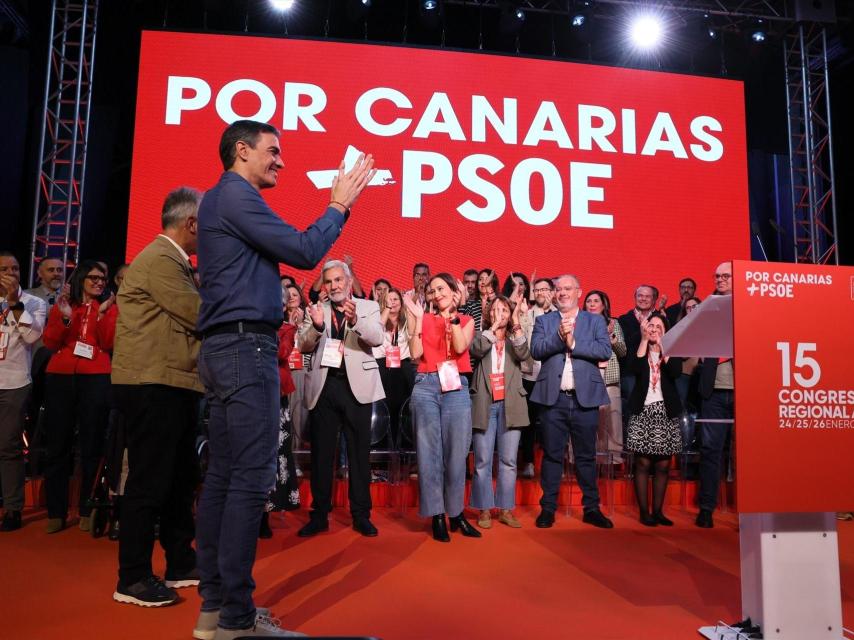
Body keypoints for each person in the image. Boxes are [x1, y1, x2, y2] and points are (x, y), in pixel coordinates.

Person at [194, 119, 374, 639]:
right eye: (273, 151)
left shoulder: (222, 200)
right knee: (247, 481)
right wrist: (338, 205)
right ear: (241, 151)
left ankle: (215, 611)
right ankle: (235, 618)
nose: (281, 160)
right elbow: (303, 250)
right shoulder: (236, 195)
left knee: (224, 478)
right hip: (244, 350)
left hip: (226, 349)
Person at [109, 188, 205, 607]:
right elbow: (199, 314)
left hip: (173, 381)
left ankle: (181, 560)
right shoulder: (163, 259)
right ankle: (132, 577)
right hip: (151, 383)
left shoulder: (173, 261)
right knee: (150, 480)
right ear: (191, 224)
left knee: (180, 478)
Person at [297, 259, 384, 538]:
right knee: (321, 454)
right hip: (325, 387)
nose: (334, 285)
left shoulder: (368, 307)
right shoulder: (317, 310)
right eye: (329, 281)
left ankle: (361, 515)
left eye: (338, 280)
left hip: (357, 387)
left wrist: (356, 320)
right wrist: (317, 327)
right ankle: (319, 515)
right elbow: (303, 344)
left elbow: (377, 338)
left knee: (359, 454)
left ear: (348, 281)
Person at [530, 274, 614, 529]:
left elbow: (604, 350)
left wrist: (573, 343)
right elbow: (536, 350)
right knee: (552, 456)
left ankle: (591, 508)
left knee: (586, 456)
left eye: (568, 288)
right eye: (558, 289)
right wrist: (559, 337)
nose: (562, 293)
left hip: (584, 399)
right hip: (553, 399)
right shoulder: (545, 321)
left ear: (579, 291)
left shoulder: (594, 320)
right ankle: (548, 508)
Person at [42, 260, 118, 533]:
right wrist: (64, 318)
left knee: (92, 444)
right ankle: (56, 511)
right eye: (93, 277)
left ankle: (88, 507)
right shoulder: (65, 304)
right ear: (81, 279)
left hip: (95, 376)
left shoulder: (109, 307)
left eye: (102, 278)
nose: (99, 282)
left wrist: (103, 315)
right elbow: (51, 342)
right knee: (57, 444)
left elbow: (108, 342)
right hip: (61, 376)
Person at [404, 273, 479, 542]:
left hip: (455, 387)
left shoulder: (466, 320)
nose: (437, 294)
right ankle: (437, 515)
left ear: (453, 291)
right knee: (429, 455)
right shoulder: (422, 317)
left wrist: (452, 317)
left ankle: (456, 514)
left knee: (457, 455)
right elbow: (415, 354)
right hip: (425, 385)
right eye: (433, 290)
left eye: (441, 288)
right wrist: (416, 320)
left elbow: (459, 346)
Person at [469, 296, 530, 529]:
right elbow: (476, 350)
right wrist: (493, 329)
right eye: (495, 310)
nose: (500, 313)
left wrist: (516, 322)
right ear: (488, 314)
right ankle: (484, 508)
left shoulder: (516, 338)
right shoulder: (481, 336)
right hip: (485, 402)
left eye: (504, 309)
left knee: (509, 460)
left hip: (511, 403)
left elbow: (524, 354)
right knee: (482, 460)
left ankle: (505, 508)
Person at [0, 252, 47, 532]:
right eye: (4, 269)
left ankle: (13, 508)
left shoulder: (34, 302)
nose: (11, 273)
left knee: (8, 445)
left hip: (14, 382)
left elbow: (31, 336)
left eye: (15, 268)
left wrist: (13, 303)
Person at [626, 313, 683, 526]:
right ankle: (644, 512)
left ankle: (658, 511)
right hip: (643, 411)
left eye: (659, 327)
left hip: (665, 411)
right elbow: (634, 369)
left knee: (663, 464)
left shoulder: (671, 349)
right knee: (642, 462)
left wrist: (663, 345)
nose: (654, 330)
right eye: (651, 326)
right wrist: (643, 340)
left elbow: (675, 372)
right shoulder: (640, 347)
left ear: (666, 331)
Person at [695, 262, 734, 529]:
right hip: (714, 391)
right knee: (711, 450)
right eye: (717, 276)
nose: (720, 279)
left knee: (748, 454)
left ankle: (750, 509)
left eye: (725, 276)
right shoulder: (708, 307)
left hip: (748, 390)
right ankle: (706, 508)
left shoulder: (750, 304)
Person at [260, 312, 300, 538]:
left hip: (276, 395)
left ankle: (266, 514)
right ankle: (252, 513)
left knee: (276, 454)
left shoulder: (286, 328)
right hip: (252, 391)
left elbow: (282, 352)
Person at [517, 277, 555, 478]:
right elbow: (520, 341)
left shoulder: (560, 314)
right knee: (529, 422)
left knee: (552, 421)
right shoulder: (527, 313)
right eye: (537, 290)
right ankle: (529, 461)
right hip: (529, 374)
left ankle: (553, 462)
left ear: (552, 292)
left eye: (544, 289)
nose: (541, 293)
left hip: (552, 375)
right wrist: (521, 316)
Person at [583, 290, 626, 457]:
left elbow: (622, 352)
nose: (592, 304)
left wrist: (611, 339)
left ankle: (612, 460)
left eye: (596, 301)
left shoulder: (614, 323)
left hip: (610, 380)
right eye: (589, 301)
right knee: (586, 422)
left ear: (603, 305)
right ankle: (585, 458)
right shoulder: (580, 324)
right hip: (587, 379)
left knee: (612, 422)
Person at [373, 288, 414, 447]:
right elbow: (376, 332)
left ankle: (404, 448)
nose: (392, 302)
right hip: (382, 366)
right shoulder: (378, 319)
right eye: (389, 299)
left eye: (396, 299)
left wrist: (410, 309)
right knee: (383, 408)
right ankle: (382, 449)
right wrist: (385, 310)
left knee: (403, 408)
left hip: (403, 366)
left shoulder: (406, 320)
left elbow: (413, 334)